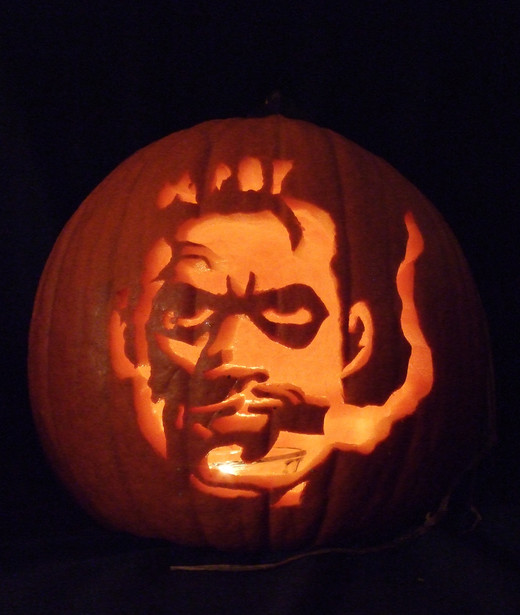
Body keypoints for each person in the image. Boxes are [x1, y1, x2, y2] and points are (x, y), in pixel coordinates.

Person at [110, 156, 433, 506]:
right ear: (129, 335)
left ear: (356, 339)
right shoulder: (131, 474)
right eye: (189, 314)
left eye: (285, 314)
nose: (230, 354)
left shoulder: (374, 471)